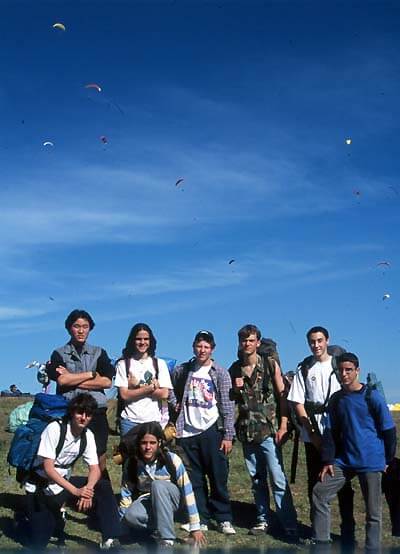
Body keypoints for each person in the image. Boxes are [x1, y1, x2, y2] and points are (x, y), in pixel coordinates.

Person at [312, 353, 396, 549]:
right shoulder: (336, 399)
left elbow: (389, 431)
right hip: (344, 461)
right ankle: (321, 542)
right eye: (340, 370)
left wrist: (387, 460)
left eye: (348, 370)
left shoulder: (372, 397)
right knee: (320, 492)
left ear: (357, 371)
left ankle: (372, 548)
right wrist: (328, 461)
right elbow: (330, 432)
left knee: (373, 512)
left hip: (371, 461)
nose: (344, 374)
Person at [24, 394, 121, 550]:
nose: (83, 418)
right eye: (79, 413)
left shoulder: (87, 435)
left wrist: (87, 490)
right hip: (41, 487)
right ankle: (42, 518)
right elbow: (48, 469)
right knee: (38, 542)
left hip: (63, 484)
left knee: (102, 486)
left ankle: (110, 538)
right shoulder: (55, 428)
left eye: (88, 414)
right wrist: (76, 491)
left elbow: (95, 468)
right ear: (72, 412)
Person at [229, 324, 297, 538]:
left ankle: (289, 523)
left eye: (251, 340)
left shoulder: (269, 364)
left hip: (269, 431)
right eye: (243, 340)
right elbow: (232, 401)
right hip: (247, 432)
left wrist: (284, 424)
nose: (247, 344)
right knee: (257, 481)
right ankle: (263, 520)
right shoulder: (234, 369)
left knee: (277, 479)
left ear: (258, 342)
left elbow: (282, 396)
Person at [287, 326, 355, 541]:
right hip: (313, 433)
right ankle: (317, 531)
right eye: (312, 342)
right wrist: (311, 433)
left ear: (327, 341)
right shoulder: (305, 368)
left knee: (344, 484)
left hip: (339, 433)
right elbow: (297, 402)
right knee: (315, 482)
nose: (316, 345)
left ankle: (347, 532)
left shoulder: (339, 366)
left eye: (319, 340)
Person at [170, 330, 236, 535]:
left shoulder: (220, 373)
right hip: (187, 432)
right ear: (193, 347)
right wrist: (176, 405)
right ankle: (201, 518)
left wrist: (228, 435)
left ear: (212, 349)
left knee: (218, 476)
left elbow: (227, 405)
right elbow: (169, 388)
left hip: (212, 430)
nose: (202, 350)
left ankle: (223, 518)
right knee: (195, 479)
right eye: (199, 346)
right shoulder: (183, 369)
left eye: (206, 346)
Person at [46, 309, 115, 474]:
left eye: (85, 326)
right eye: (77, 326)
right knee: (64, 453)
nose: (81, 330)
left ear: (90, 328)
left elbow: (106, 382)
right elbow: (61, 380)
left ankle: (99, 490)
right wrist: (91, 375)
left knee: (99, 453)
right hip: (69, 409)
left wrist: (72, 379)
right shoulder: (59, 353)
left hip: (96, 410)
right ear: (69, 328)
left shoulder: (99, 352)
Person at [120, 421, 206, 547]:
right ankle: (159, 526)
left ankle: (167, 539)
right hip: (149, 499)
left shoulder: (172, 459)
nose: (148, 447)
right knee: (131, 516)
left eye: (152, 443)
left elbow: (187, 491)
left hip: (173, 499)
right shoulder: (132, 463)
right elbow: (125, 494)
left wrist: (195, 527)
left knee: (157, 485)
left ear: (159, 443)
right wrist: (122, 525)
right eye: (144, 443)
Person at [114, 323, 172, 437]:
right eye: (138, 339)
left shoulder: (159, 364)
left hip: (153, 421)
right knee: (129, 455)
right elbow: (124, 395)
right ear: (132, 340)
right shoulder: (123, 364)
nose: (142, 342)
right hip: (129, 421)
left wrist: (135, 387)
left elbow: (164, 393)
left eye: (146, 339)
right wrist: (150, 388)